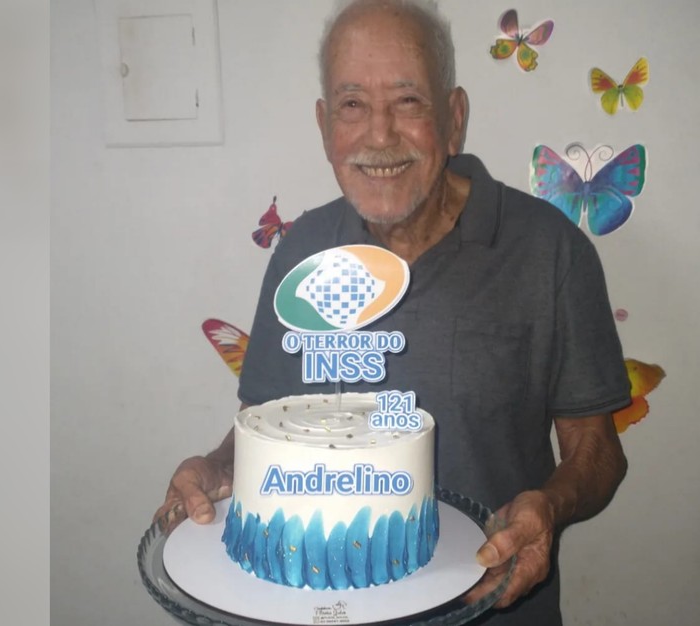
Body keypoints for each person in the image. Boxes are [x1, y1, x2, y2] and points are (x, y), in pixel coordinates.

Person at [155, 1, 630, 623]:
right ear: (325, 125)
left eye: (408, 101)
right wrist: (218, 468)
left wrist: (550, 506)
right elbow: (268, 425)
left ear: (454, 119)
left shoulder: (550, 249)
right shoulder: (302, 250)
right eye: (352, 104)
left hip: (490, 607)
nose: (379, 136)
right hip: (321, 603)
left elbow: (598, 452)